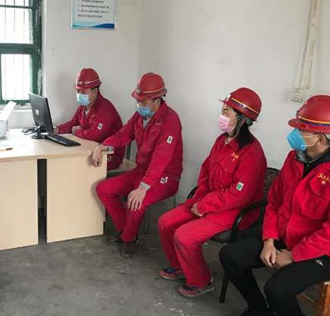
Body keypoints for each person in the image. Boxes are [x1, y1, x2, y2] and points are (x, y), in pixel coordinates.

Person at [219, 95, 330, 316]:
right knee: (231, 255)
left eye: (301, 129)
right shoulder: (295, 158)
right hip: (285, 237)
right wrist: (269, 240)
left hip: (327, 252)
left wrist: (294, 255)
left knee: (277, 288)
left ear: (320, 138)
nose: (295, 133)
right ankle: (260, 312)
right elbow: (275, 202)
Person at [157, 88, 266, 298]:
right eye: (222, 110)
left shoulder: (252, 152)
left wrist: (205, 205)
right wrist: (199, 200)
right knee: (165, 222)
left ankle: (202, 280)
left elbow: (239, 195)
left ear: (242, 118)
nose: (221, 116)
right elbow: (206, 171)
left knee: (184, 236)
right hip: (208, 201)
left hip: (235, 211)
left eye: (226, 112)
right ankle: (180, 266)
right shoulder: (221, 141)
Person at [92, 73, 183, 257]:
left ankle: (129, 238)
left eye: (143, 101)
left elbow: (161, 158)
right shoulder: (139, 116)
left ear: (157, 100)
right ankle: (125, 230)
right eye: (138, 101)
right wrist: (102, 146)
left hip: (165, 176)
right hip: (141, 171)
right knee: (104, 189)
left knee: (136, 202)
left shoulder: (170, 120)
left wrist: (143, 187)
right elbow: (123, 135)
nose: (139, 105)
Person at [54, 68, 124, 170]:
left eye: (83, 92)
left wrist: (76, 132)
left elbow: (95, 134)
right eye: (78, 91)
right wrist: (57, 129)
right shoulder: (83, 107)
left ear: (95, 91)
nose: (79, 95)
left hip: (109, 154)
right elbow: (73, 123)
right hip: (90, 149)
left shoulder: (105, 108)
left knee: (77, 167)